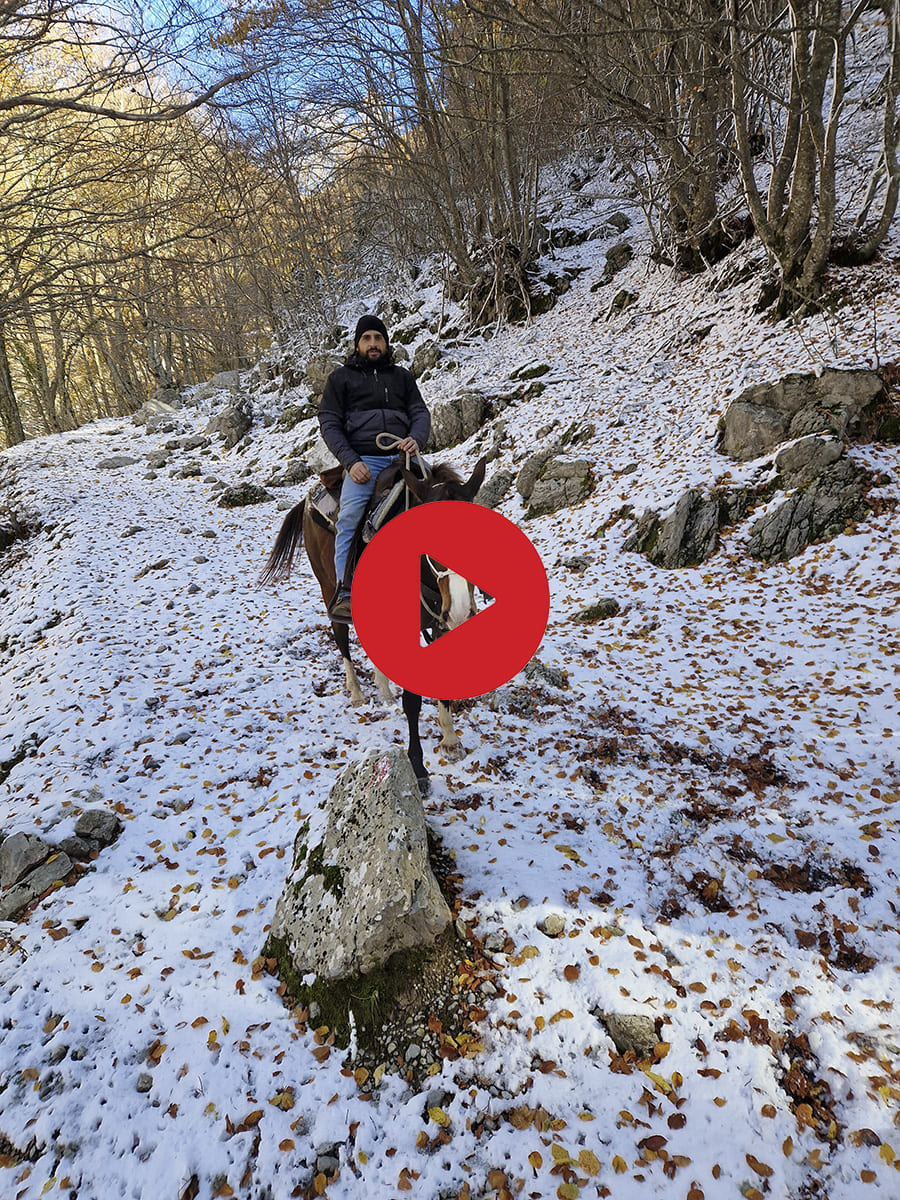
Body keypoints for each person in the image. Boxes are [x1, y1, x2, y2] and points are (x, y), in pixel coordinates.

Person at [318, 314, 431, 623]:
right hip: (363, 461)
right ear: (357, 344)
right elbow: (329, 422)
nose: (372, 344)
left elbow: (419, 412)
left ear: (386, 343)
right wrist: (351, 462)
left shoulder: (402, 377)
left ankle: (458, 574)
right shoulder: (340, 379)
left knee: (444, 496)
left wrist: (415, 439)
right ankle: (346, 593)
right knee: (350, 516)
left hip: (403, 457)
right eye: (366, 338)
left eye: (378, 338)